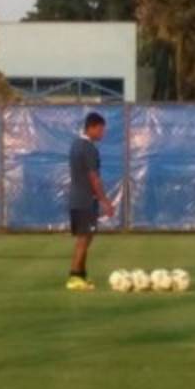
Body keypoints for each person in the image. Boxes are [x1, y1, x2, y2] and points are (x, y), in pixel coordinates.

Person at [66, 112, 114, 290]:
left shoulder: (75, 145)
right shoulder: (88, 148)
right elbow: (94, 178)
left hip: (77, 199)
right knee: (84, 240)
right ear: (92, 127)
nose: (103, 133)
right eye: (101, 129)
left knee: (86, 238)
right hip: (85, 201)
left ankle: (81, 276)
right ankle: (73, 277)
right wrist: (105, 201)